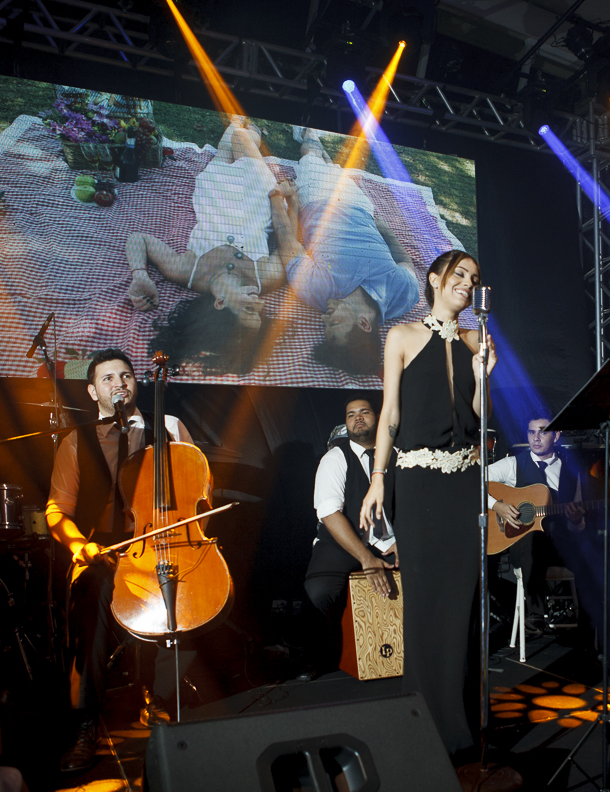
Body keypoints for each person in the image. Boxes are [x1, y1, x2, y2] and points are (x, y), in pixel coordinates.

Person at [359, 249, 495, 755]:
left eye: (474, 278)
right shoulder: (401, 336)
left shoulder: (476, 340)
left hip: (463, 486)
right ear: (435, 278)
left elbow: (478, 417)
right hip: (416, 486)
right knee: (424, 606)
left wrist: (483, 377)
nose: (467, 282)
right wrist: (377, 479)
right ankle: (422, 723)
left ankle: (462, 725)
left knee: (461, 604)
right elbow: (389, 415)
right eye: (460, 273)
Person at [45, 348, 194, 771]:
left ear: (136, 383)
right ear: (93, 391)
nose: (119, 384)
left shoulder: (168, 427)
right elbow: (58, 510)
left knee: (187, 597)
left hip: (161, 543)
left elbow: (197, 486)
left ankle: (161, 700)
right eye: (108, 378)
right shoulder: (76, 442)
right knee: (91, 599)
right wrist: (80, 547)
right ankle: (86, 721)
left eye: (126, 376)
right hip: (103, 551)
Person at [124, 117, 289, 375]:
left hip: (214, 195)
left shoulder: (188, 272)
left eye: (249, 309)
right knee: (241, 139)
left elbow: (139, 239)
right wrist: (285, 203)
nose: (260, 305)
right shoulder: (265, 278)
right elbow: (291, 246)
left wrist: (140, 275)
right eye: (260, 313)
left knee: (231, 142)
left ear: (220, 303)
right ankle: (249, 126)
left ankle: (240, 120)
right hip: (256, 197)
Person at [266, 126, 420, 375]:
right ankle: (315, 140)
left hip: (317, 201)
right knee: (335, 169)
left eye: (324, 325)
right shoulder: (404, 295)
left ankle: (308, 133)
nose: (324, 318)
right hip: (360, 207)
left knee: (311, 155)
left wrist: (277, 197)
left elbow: (286, 242)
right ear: (364, 324)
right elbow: (404, 260)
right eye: (334, 323)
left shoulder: (318, 290)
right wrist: (380, 225)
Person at [301, 395, 399, 680]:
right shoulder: (335, 457)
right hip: (341, 542)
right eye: (350, 414)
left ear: (377, 418)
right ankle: (316, 658)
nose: (357, 417)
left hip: (388, 541)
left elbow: (411, 505)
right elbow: (330, 514)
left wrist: (404, 542)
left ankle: (418, 651)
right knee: (319, 592)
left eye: (364, 412)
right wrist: (366, 558)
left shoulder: (397, 456)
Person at [487, 412, 586, 633]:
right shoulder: (514, 464)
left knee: (591, 555)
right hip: (522, 545)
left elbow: (576, 526)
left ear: (557, 436)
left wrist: (576, 520)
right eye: (532, 432)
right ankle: (535, 614)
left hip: (560, 545)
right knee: (534, 538)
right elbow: (475, 481)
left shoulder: (571, 473)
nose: (536, 438)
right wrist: (497, 506)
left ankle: (588, 630)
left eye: (543, 432)